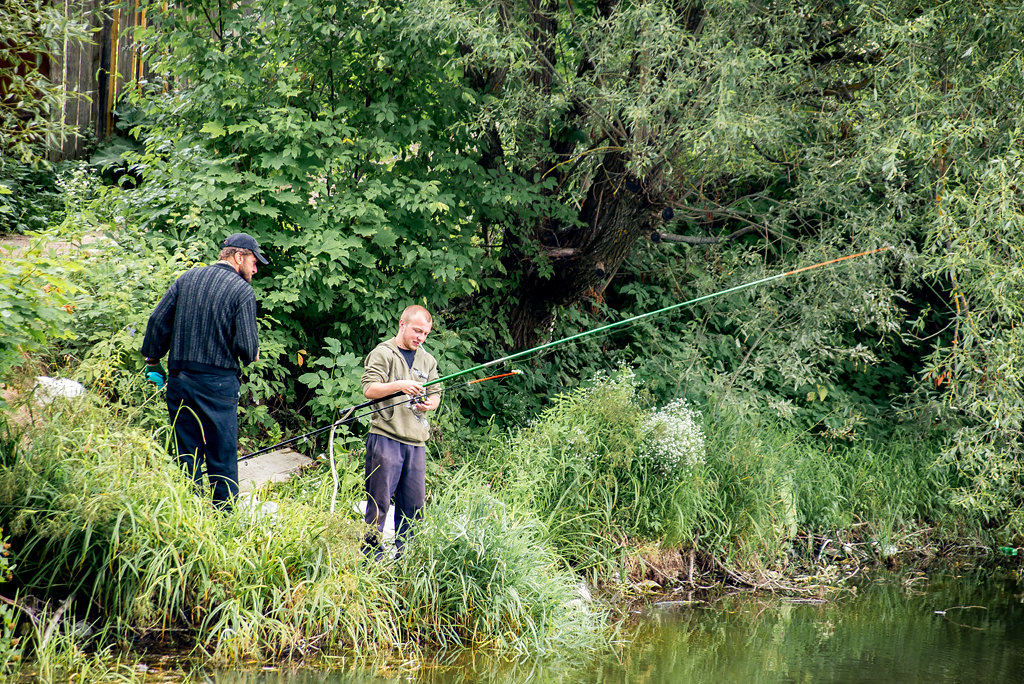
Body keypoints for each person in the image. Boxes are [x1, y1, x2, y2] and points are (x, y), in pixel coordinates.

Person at [140, 233, 268, 509]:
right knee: (221, 458)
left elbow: (157, 320)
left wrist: (153, 361)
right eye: (254, 262)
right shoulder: (242, 291)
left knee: (187, 456)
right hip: (218, 386)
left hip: (180, 381)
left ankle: (189, 517)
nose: (255, 269)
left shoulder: (187, 279)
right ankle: (225, 524)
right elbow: (246, 348)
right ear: (239, 257)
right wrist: (252, 352)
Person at [361, 304, 440, 559]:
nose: (420, 337)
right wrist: (400, 385)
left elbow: (436, 393)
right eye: (417, 330)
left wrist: (431, 403)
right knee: (379, 502)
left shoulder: (427, 360)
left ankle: (407, 556)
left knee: (414, 505)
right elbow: (369, 389)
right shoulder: (383, 353)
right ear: (402, 324)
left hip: (416, 442)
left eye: (425, 333)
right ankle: (371, 555)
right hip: (386, 438)